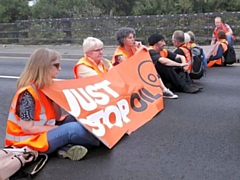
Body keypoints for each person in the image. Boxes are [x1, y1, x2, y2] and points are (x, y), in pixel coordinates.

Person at [5, 48, 100, 161]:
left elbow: (56, 117)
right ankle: (98, 141)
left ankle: (67, 146)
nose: (60, 69)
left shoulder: (45, 87)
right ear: (44, 67)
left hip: (42, 130)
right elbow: (28, 129)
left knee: (78, 117)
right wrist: (58, 128)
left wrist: (55, 97)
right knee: (74, 129)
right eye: (56, 65)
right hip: (26, 141)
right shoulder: (27, 94)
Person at [112, 27, 178, 99]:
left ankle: (164, 89)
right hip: (122, 77)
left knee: (150, 68)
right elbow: (130, 64)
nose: (133, 39)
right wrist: (140, 48)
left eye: (133, 37)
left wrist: (138, 47)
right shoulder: (119, 54)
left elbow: (143, 56)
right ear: (123, 40)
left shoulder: (132, 48)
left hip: (133, 72)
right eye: (130, 38)